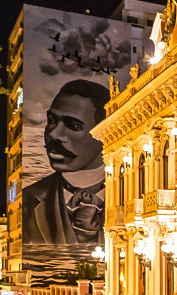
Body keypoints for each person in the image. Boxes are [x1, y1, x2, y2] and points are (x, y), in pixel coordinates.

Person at [22, 80, 111, 245]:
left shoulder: (126, 194)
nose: (54, 134)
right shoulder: (29, 198)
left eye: (74, 126)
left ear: (104, 132)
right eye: (52, 121)